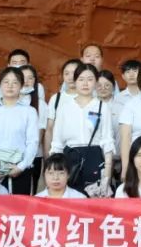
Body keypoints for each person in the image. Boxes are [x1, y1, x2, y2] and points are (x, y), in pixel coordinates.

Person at [49, 63, 114, 197]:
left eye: (90, 79)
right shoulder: (64, 107)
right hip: (69, 159)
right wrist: (55, 170)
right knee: (70, 201)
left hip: (94, 158)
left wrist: (107, 175)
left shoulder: (102, 107)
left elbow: (107, 140)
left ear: (96, 82)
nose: (85, 84)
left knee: (94, 201)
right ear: (75, 81)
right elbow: (57, 143)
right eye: (81, 79)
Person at [0, 67, 38, 194]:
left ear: (21, 86)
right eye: (6, 82)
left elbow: (33, 142)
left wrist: (21, 167)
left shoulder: (29, 112)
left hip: (20, 170)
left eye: (15, 82)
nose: (10, 86)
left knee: (19, 206)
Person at [43, 58, 80, 157]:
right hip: (59, 153)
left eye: (74, 73)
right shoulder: (56, 98)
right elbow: (49, 129)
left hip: (84, 151)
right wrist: (47, 157)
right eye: (66, 73)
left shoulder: (91, 99)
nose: (70, 77)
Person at [19, 65, 47, 194]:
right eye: (23, 77)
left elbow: (40, 133)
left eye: (30, 78)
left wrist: (28, 155)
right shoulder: (10, 102)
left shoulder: (40, 104)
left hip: (34, 156)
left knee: (30, 192)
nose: (26, 81)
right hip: (12, 156)